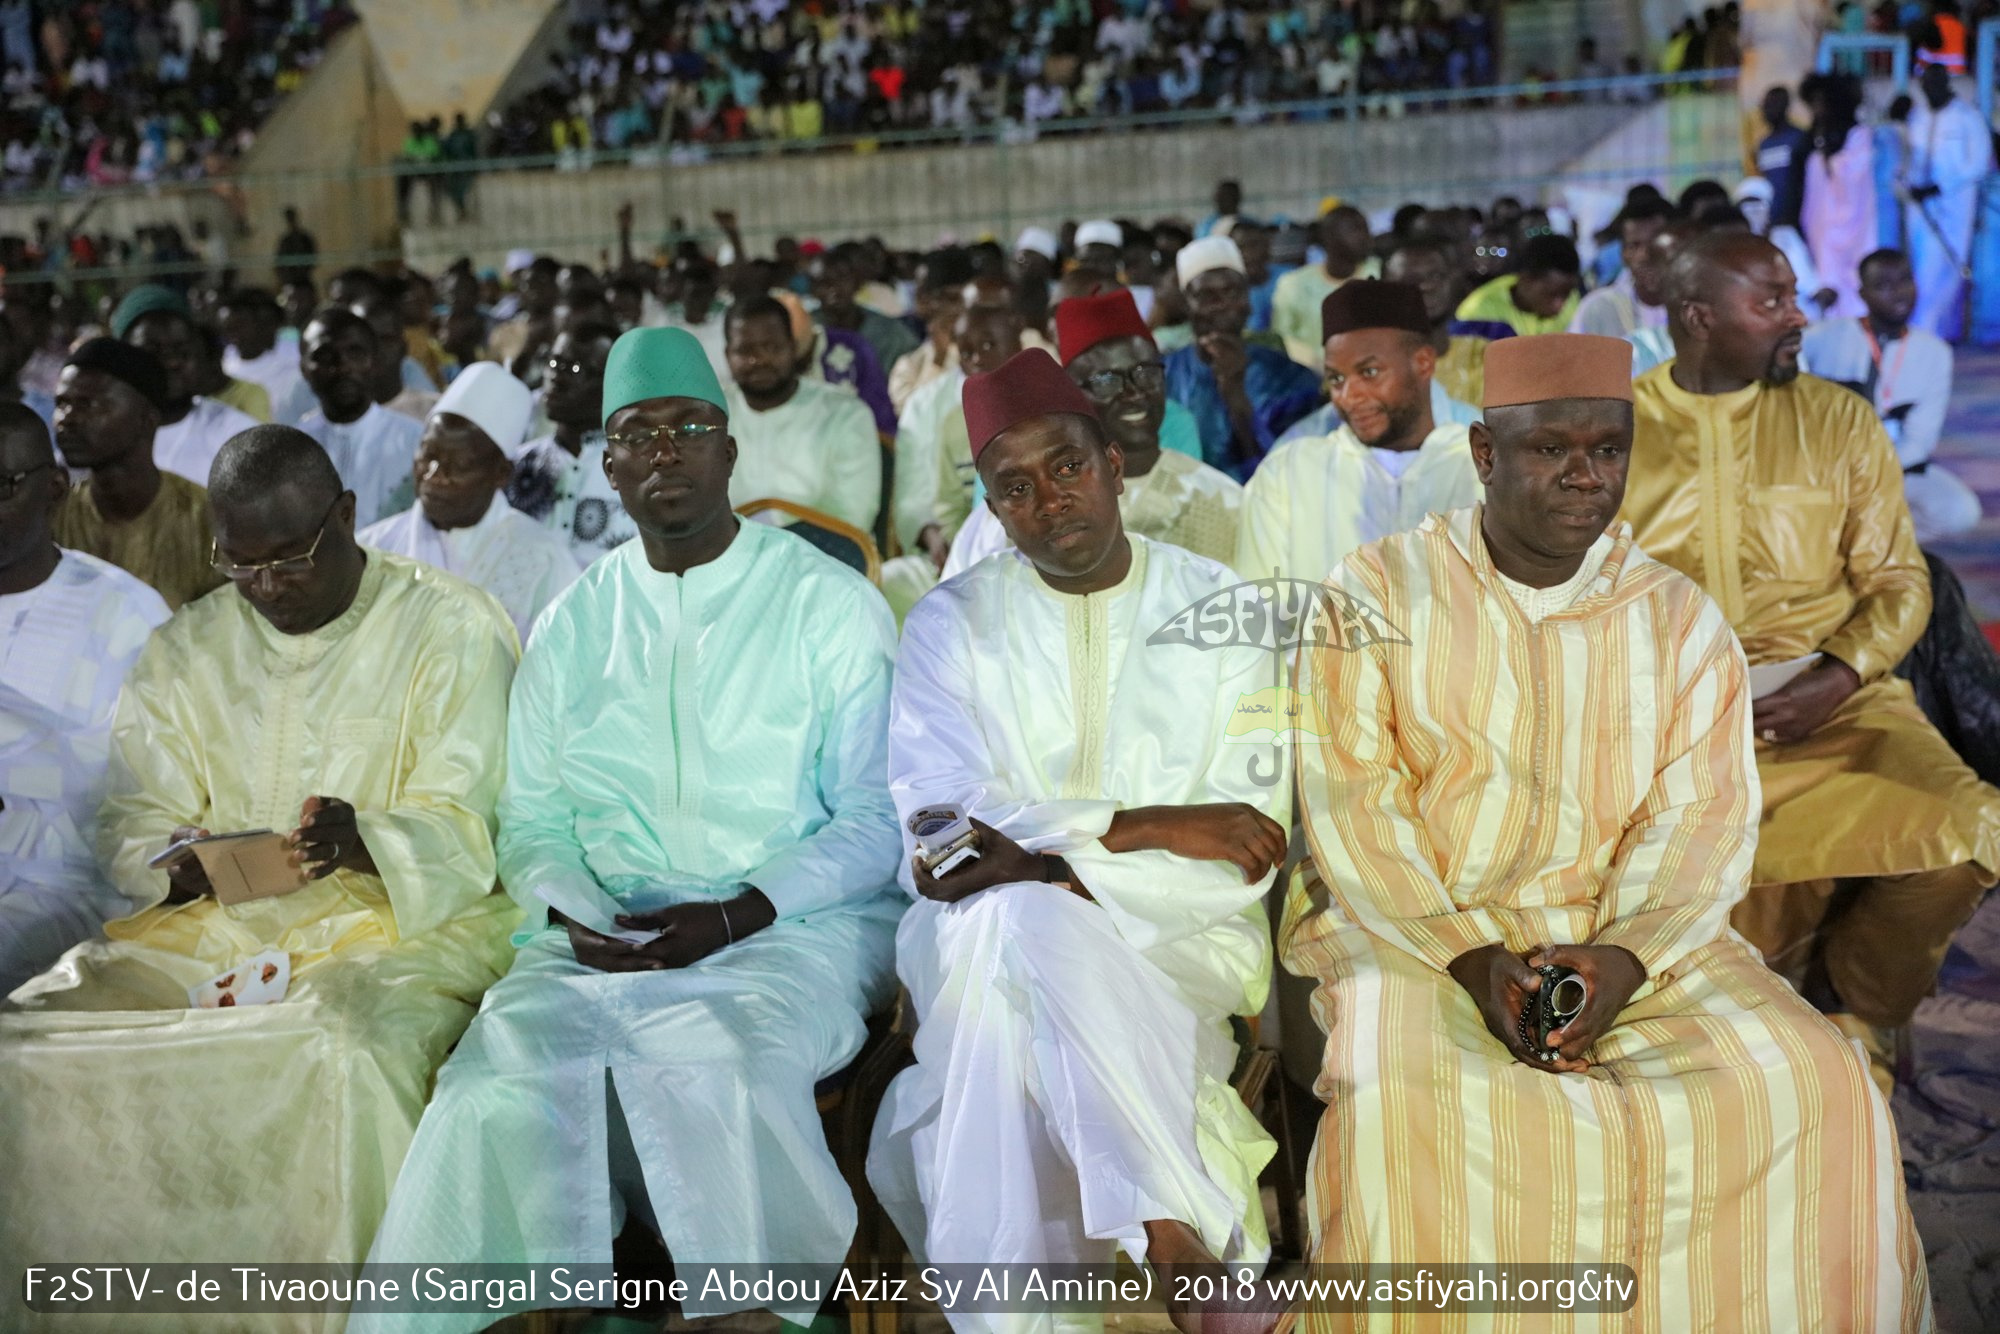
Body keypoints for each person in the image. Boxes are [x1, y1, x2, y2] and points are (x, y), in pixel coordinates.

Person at [1282, 332, 1929, 1331]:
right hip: (1414, 931)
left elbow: (1701, 813)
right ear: (1486, 455)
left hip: (1637, 929)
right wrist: (1467, 957)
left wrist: (1622, 955)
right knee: (1407, 1108)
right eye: (1551, 451)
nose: (1587, 477)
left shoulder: (1674, 616)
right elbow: (1353, 800)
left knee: (1812, 1077)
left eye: (1608, 449)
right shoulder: (1372, 595)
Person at [360, 328, 901, 1331]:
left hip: (793, 926)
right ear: (603, 463)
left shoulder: (826, 603)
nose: (662, 450)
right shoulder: (574, 619)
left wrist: (740, 912)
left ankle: (739, 1314)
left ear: (727, 451)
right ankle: (539, 1310)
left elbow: (876, 818)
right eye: (635, 434)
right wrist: (574, 910)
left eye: (687, 428)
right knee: (490, 1086)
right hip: (601, 940)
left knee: (719, 1067)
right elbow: (532, 816)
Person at [0, 425, 518, 1288]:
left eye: (290, 559)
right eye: (240, 565)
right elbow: (134, 810)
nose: (266, 587)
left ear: (346, 516)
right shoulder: (190, 645)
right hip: (214, 926)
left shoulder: (450, 627)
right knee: (33, 1032)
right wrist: (177, 860)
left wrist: (373, 842)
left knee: (342, 1048)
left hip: (396, 930)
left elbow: (474, 814)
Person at [869, 346, 1286, 1329]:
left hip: (1177, 938)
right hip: (972, 934)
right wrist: (1133, 826)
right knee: (1012, 921)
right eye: (1011, 486)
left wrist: (1043, 859)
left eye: (1063, 465)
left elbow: (1247, 839)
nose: (1047, 500)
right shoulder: (950, 623)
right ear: (990, 506)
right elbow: (936, 818)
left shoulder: (1222, 611)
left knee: (1012, 972)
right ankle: (1171, 1228)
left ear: (1109, 458)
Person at [1622, 232, 2000, 1087]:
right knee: (1703, 914)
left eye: (1794, 296)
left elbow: (1903, 582)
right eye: (1771, 303)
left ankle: (1850, 1009)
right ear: (1698, 318)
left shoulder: (1839, 419)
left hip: (1842, 709)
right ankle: (1769, 1018)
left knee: (1967, 831)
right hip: (1680, 729)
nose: (1799, 318)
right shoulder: (1620, 433)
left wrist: (1835, 677)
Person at [0, 403, 170, 997]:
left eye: (2, 486)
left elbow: (153, 793)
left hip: (69, 882)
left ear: (53, 489)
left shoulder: (127, 614)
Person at [943, 290, 1244, 575]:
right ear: (1071, 391)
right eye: (1106, 380)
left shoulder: (1221, 497)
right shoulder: (1007, 517)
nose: (1133, 393)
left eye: (1145, 373)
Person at [1237, 281, 1483, 584]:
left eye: (1369, 373)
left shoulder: (1481, 467)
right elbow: (1256, 609)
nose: (1348, 396)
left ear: (1423, 363)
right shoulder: (1288, 472)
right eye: (1336, 378)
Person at [359, 363, 579, 642]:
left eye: (459, 464)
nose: (434, 475)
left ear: (501, 473)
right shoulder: (372, 548)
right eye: (428, 454)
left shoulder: (544, 560)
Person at [1803, 248, 1975, 541]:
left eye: (1904, 281)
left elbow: (1921, 440)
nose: (1898, 294)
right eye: (1883, 286)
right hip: (1826, 468)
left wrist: (1872, 474)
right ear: (1862, 294)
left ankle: (1870, 545)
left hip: (1895, 467)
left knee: (1959, 510)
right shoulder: (1822, 338)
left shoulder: (1934, 353)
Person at [51, 338, 223, 611]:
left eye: (88, 404)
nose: (66, 418)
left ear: (147, 418)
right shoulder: (54, 516)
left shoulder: (206, 520)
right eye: (61, 403)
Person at [1163, 236, 1321, 480]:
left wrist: (1236, 397)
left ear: (1247, 301)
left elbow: (1295, 466)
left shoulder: (1288, 376)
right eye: (1206, 295)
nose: (1220, 305)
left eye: (1231, 292)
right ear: (1186, 305)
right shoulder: (1164, 375)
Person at [723, 294, 882, 535]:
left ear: (794, 347)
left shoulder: (845, 414)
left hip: (822, 560)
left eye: (772, 347)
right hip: (723, 561)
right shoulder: (709, 414)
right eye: (745, 351)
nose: (759, 360)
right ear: (727, 356)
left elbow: (852, 518)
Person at [508, 321, 635, 567]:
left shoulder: (636, 472)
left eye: (575, 369)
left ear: (613, 383)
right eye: (555, 363)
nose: (556, 377)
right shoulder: (516, 465)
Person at [113, 284, 264, 483]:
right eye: (153, 351)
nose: (172, 362)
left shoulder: (239, 437)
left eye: (181, 350)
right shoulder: (101, 437)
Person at [299, 307, 423, 529]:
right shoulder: (293, 446)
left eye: (355, 354)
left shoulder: (415, 441)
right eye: (325, 357)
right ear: (304, 369)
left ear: (376, 362)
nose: (343, 367)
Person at [1902, 62, 1991, 340]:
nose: (1929, 90)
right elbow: (1908, 159)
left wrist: (1940, 188)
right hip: (1919, 211)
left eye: (1934, 84)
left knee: (1942, 270)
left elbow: (1978, 163)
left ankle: (1924, 334)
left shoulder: (1967, 117)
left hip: (1952, 211)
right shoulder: (1917, 117)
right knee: (1920, 270)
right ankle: (1930, 334)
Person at [1382, 238, 1506, 406]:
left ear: (1453, 280)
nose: (1426, 286)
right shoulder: (1376, 367)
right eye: (1410, 280)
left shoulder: (1485, 355)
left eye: (1436, 276)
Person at [1801, 72, 1875, 319]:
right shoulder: (1814, 139)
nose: (1817, 109)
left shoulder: (1860, 136)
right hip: (1824, 228)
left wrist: (1833, 159)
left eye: (1822, 102)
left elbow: (1856, 175)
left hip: (1858, 227)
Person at [1271, 205, 1374, 366]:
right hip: (1311, 376)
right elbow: (1283, 338)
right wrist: (1319, 365)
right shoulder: (1294, 284)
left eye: (1366, 229)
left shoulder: (1381, 274)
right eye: (1354, 230)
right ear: (1328, 238)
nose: (1365, 237)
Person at [1567, 198, 1676, 337]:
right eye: (1634, 246)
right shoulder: (1598, 308)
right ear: (1623, 253)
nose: (1644, 255)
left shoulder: (1698, 308)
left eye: (1654, 243)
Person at [811, 242, 919, 377]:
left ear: (857, 283)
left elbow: (915, 367)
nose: (834, 289)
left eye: (842, 279)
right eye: (824, 283)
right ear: (813, 290)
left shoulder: (889, 332)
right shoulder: (806, 331)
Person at [1731, 176, 1832, 316]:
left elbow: (1808, 283)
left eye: (1757, 203)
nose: (1752, 210)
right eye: (1746, 204)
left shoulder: (1785, 236)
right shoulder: (1734, 244)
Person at [1455, 233, 1583, 335]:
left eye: (1566, 295)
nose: (1560, 306)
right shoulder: (1479, 312)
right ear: (1526, 280)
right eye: (1551, 295)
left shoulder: (1572, 299)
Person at [220, 287, 311, 426]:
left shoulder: (291, 363)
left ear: (257, 323)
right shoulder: (224, 365)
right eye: (228, 329)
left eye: (240, 326)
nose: (234, 335)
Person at [1755, 85, 1810, 228]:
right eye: (1764, 106)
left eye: (1771, 105)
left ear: (1784, 106)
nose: (1765, 111)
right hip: (1772, 221)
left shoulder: (1799, 138)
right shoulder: (1764, 144)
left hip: (1798, 219)